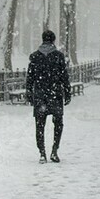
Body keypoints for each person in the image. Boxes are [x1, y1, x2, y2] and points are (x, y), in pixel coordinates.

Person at [26, 30, 71, 164]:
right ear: (53, 40)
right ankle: (54, 151)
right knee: (58, 123)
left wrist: (29, 92)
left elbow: (30, 78)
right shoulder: (58, 56)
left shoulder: (34, 57)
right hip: (55, 94)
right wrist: (67, 92)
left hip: (40, 95)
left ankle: (42, 153)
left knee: (40, 125)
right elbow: (64, 76)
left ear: (43, 39)